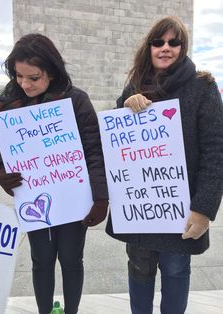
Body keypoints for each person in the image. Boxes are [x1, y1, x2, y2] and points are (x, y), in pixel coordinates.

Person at [106, 16, 223, 314]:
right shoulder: (135, 84)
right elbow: (120, 141)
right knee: (139, 268)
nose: (165, 48)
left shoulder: (203, 87)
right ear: (149, 47)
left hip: (181, 207)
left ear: (183, 47)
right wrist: (126, 104)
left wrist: (204, 208)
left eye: (174, 42)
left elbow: (216, 150)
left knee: (175, 269)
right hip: (142, 205)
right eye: (158, 42)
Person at [0, 33, 108, 314]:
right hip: (32, 197)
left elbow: (94, 150)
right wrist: (0, 170)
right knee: (41, 259)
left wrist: (101, 198)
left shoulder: (76, 100)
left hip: (73, 199)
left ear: (51, 72)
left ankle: (70, 312)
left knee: (71, 259)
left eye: (33, 77)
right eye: (19, 76)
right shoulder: (8, 104)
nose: (24, 84)